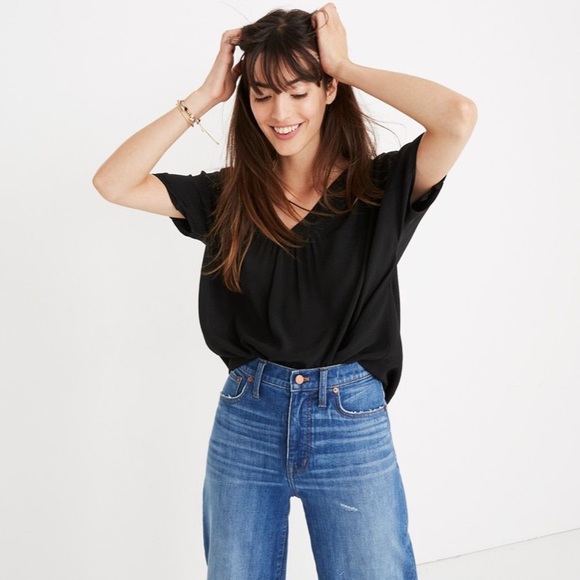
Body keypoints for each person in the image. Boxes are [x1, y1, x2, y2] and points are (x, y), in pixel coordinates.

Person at [93, 4, 477, 579]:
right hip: (248, 416)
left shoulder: (379, 187)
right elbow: (113, 182)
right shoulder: (228, 197)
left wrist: (346, 65)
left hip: (349, 419)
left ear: (328, 91)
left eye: (299, 92)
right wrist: (206, 95)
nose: (280, 113)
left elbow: (458, 117)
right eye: (262, 95)